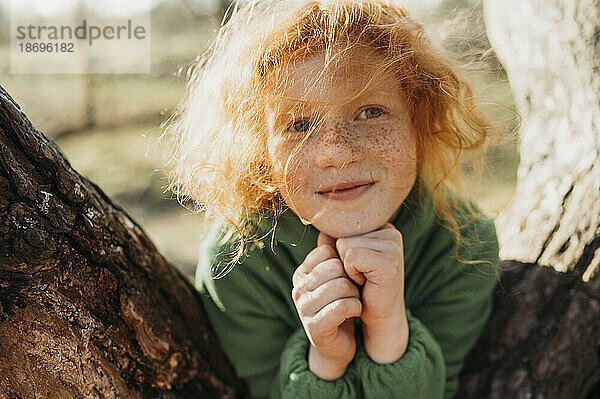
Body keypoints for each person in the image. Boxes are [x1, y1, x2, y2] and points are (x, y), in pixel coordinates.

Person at [161, 0, 504, 397]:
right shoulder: (237, 262)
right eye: (300, 125)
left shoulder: (465, 245)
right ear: (260, 150)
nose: (336, 152)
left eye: (371, 112)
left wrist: (390, 331)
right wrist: (324, 360)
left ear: (420, 121)